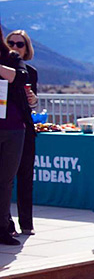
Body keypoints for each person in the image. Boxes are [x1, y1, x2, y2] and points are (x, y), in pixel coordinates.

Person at [0, 31, 33, 245]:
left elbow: (22, 77)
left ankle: (2, 227)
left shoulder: (11, 57)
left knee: (5, 180)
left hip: (13, 128)